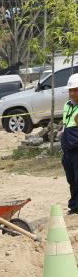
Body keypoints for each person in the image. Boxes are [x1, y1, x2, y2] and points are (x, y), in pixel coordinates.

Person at [61, 74, 78, 215]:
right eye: (70, 90)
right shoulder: (67, 105)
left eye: (76, 90)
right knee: (71, 180)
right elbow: (66, 124)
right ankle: (74, 206)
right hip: (67, 150)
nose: (72, 93)